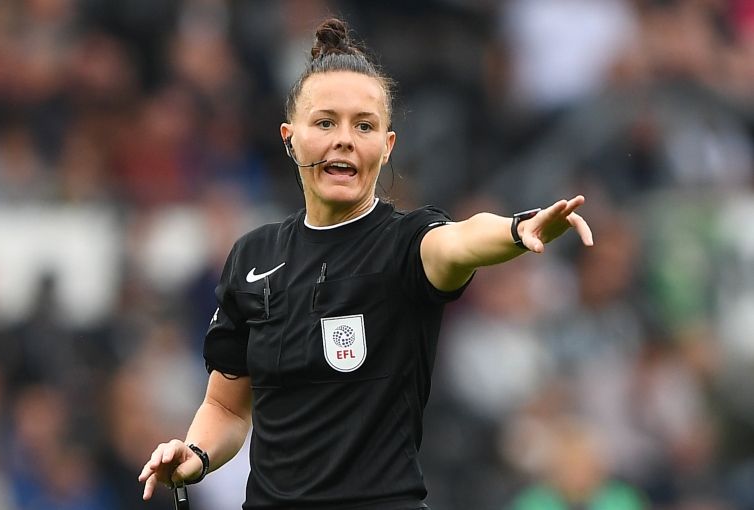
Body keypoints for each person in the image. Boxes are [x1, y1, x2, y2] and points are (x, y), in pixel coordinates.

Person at [139, 17, 593, 510]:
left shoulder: (406, 244)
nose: (345, 139)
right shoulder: (253, 256)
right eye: (325, 122)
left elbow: (460, 241)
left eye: (364, 125)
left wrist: (514, 229)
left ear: (387, 145)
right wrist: (197, 454)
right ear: (291, 138)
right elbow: (226, 405)